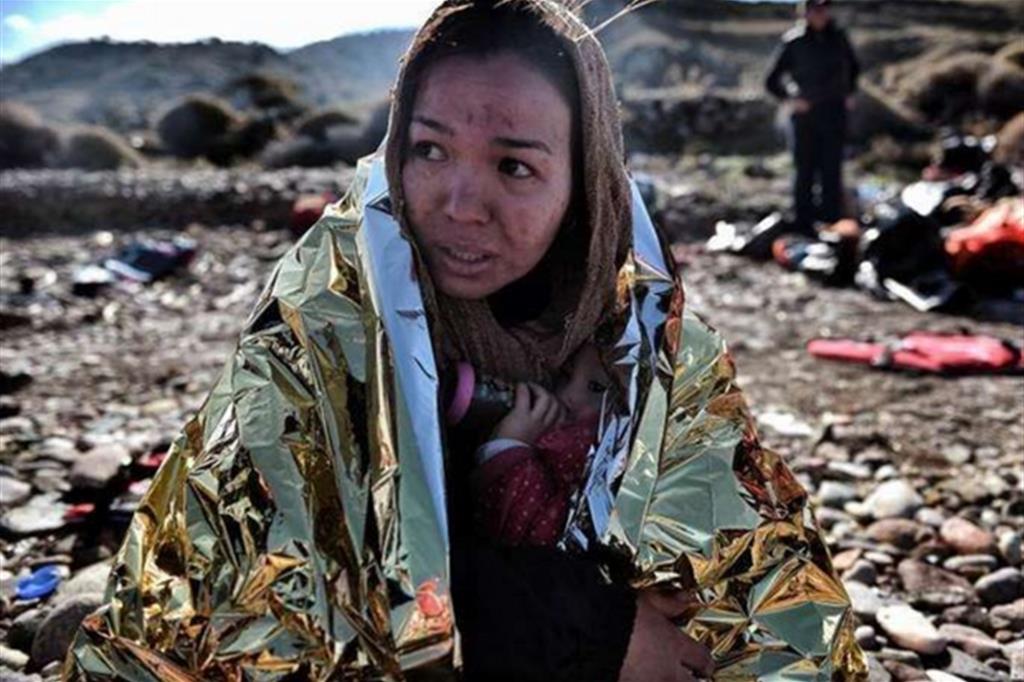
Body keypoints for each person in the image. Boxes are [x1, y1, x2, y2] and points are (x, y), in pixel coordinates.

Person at [65, 2, 865, 681]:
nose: (458, 203)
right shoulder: (331, 326)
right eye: (430, 149)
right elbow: (281, 592)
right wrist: (593, 629)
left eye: (514, 167)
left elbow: (759, 589)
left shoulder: (637, 337)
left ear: (583, 178)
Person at [471, 344, 608, 546]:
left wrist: (509, 446)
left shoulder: (590, 453)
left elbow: (538, 534)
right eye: (566, 374)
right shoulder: (559, 432)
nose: (569, 394)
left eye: (596, 387)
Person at [765, 0, 860, 235]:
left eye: (824, 8)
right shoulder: (794, 41)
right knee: (804, 170)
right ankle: (803, 224)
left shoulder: (838, 38)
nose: (820, 13)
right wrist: (791, 99)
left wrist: (849, 92)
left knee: (831, 169)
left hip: (834, 112)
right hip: (805, 116)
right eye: (815, 9)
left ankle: (831, 224)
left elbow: (855, 67)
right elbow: (772, 81)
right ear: (805, 12)